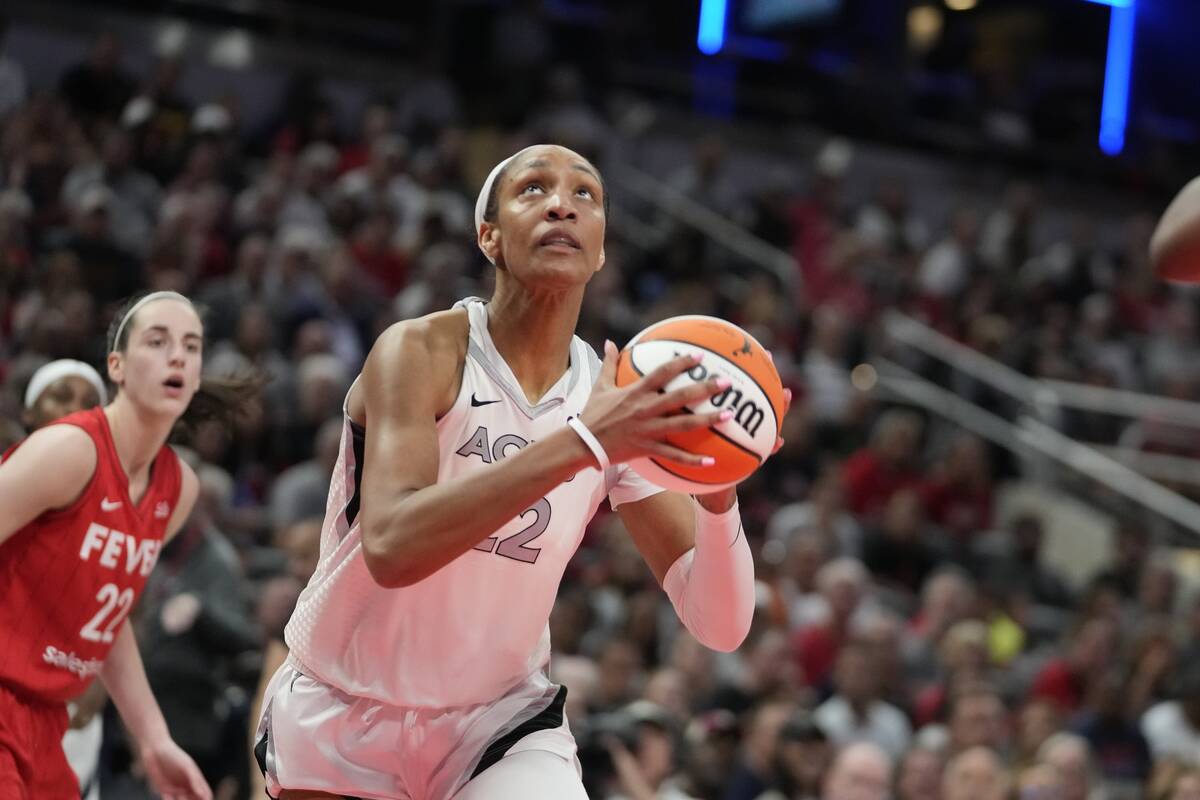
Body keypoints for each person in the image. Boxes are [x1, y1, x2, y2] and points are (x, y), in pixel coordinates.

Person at [254, 144, 782, 799]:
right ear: (490, 236)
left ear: (601, 250)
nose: (562, 202)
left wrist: (717, 492)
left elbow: (720, 626)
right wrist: (584, 441)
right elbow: (390, 546)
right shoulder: (421, 351)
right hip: (343, 707)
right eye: (533, 189)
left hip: (497, 723)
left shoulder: (612, 393)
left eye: (585, 194)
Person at [0, 291, 218, 799]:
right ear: (116, 366)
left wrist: (154, 738)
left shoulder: (178, 488)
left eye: (191, 345)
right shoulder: (71, 450)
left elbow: (105, 613)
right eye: (158, 341)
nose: (177, 356)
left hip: (47, 722)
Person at [16, 359, 109, 800]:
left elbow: (121, 612)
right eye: (60, 397)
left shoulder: (117, 507)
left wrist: (101, 684)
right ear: (29, 413)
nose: (74, 410)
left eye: (88, 403)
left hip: (70, 706)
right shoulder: (10, 484)